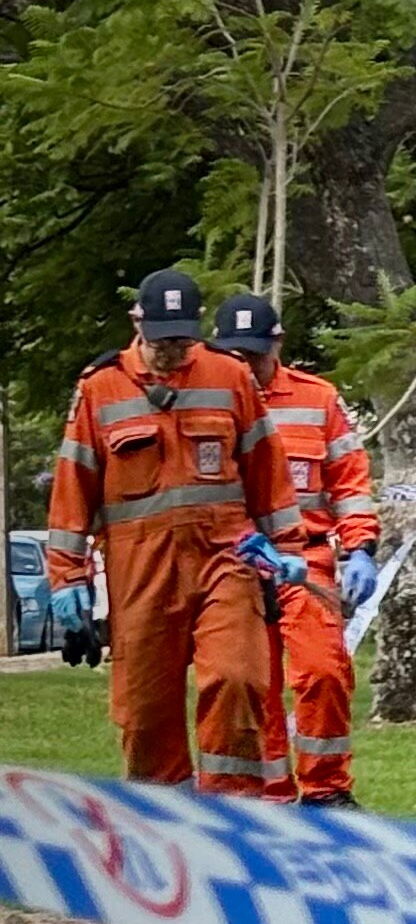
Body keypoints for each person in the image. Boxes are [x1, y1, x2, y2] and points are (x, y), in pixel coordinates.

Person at [42, 268, 295, 798]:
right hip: (142, 573)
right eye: (162, 340)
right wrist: (68, 579)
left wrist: (287, 549)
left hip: (226, 559)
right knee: (145, 710)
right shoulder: (100, 387)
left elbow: (267, 472)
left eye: (182, 339)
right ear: (138, 323)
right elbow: (73, 489)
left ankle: (231, 814)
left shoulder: (229, 378)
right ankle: (162, 825)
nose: (172, 351)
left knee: (237, 680)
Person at [212, 292, 381, 805]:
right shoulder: (206, 402)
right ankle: (272, 794)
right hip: (236, 562)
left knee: (324, 672)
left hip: (305, 559)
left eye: (253, 355)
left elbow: (349, 483)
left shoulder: (318, 400)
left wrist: (361, 548)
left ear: (277, 344)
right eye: (234, 355)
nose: (245, 365)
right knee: (251, 685)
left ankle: (327, 789)